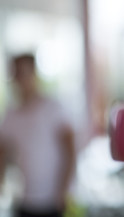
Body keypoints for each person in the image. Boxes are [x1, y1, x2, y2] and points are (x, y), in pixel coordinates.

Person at [0, 54, 76, 217]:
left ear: (34, 73)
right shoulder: (11, 115)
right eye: (16, 73)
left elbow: (70, 151)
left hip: (53, 200)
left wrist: (64, 191)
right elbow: (2, 154)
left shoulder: (54, 108)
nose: (19, 78)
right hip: (24, 200)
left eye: (23, 72)